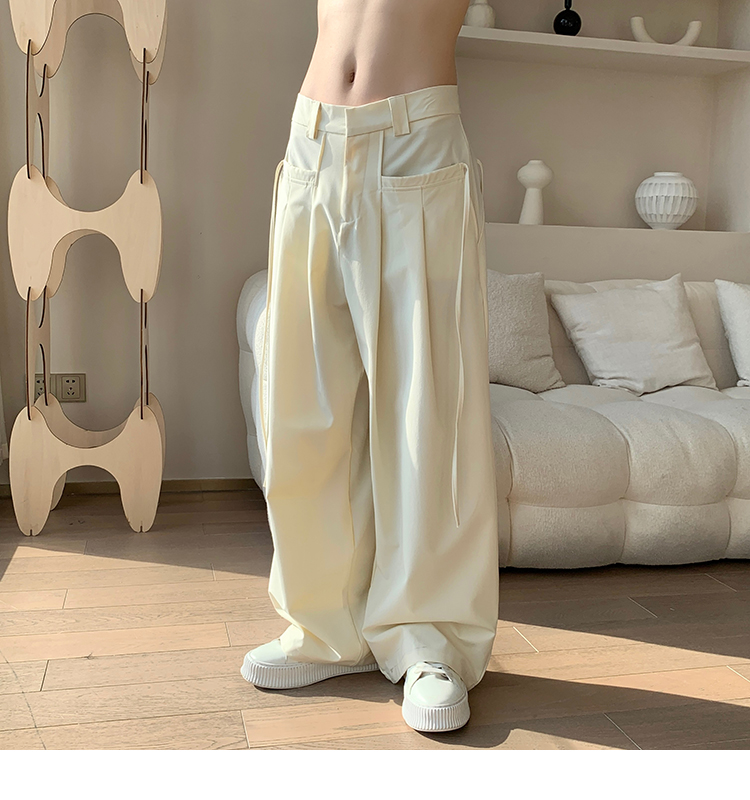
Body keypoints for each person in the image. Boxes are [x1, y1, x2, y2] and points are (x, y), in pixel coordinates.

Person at [241, 0, 499, 734]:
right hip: (312, 141)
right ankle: (325, 628)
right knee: (302, 408)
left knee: (427, 411)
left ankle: (430, 639)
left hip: (417, 142)